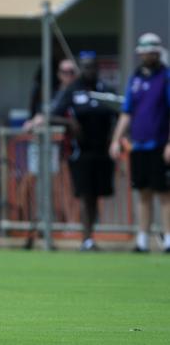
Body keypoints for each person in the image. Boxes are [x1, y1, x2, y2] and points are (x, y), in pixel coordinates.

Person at [49, 51, 117, 251]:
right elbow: (52, 115)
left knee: (96, 196)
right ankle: (86, 239)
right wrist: (69, 122)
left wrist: (115, 133)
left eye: (94, 66)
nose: (90, 70)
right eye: (86, 66)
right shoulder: (73, 90)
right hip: (81, 152)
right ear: (81, 68)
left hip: (102, 151)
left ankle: (91, 237)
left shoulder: (105, 89)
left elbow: (121, 110)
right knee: (85, 195)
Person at [110, 33, 170, 253]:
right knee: (143, 192)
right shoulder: (135, 78)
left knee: (164, 193)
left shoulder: (165, 77)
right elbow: (127, 112)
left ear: (157, 52)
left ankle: (168, 239)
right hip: (139, 144)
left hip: (160, 143)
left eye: (150, 51)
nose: (147, 55)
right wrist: (116, 139)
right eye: (143, 52)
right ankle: (142, 239)